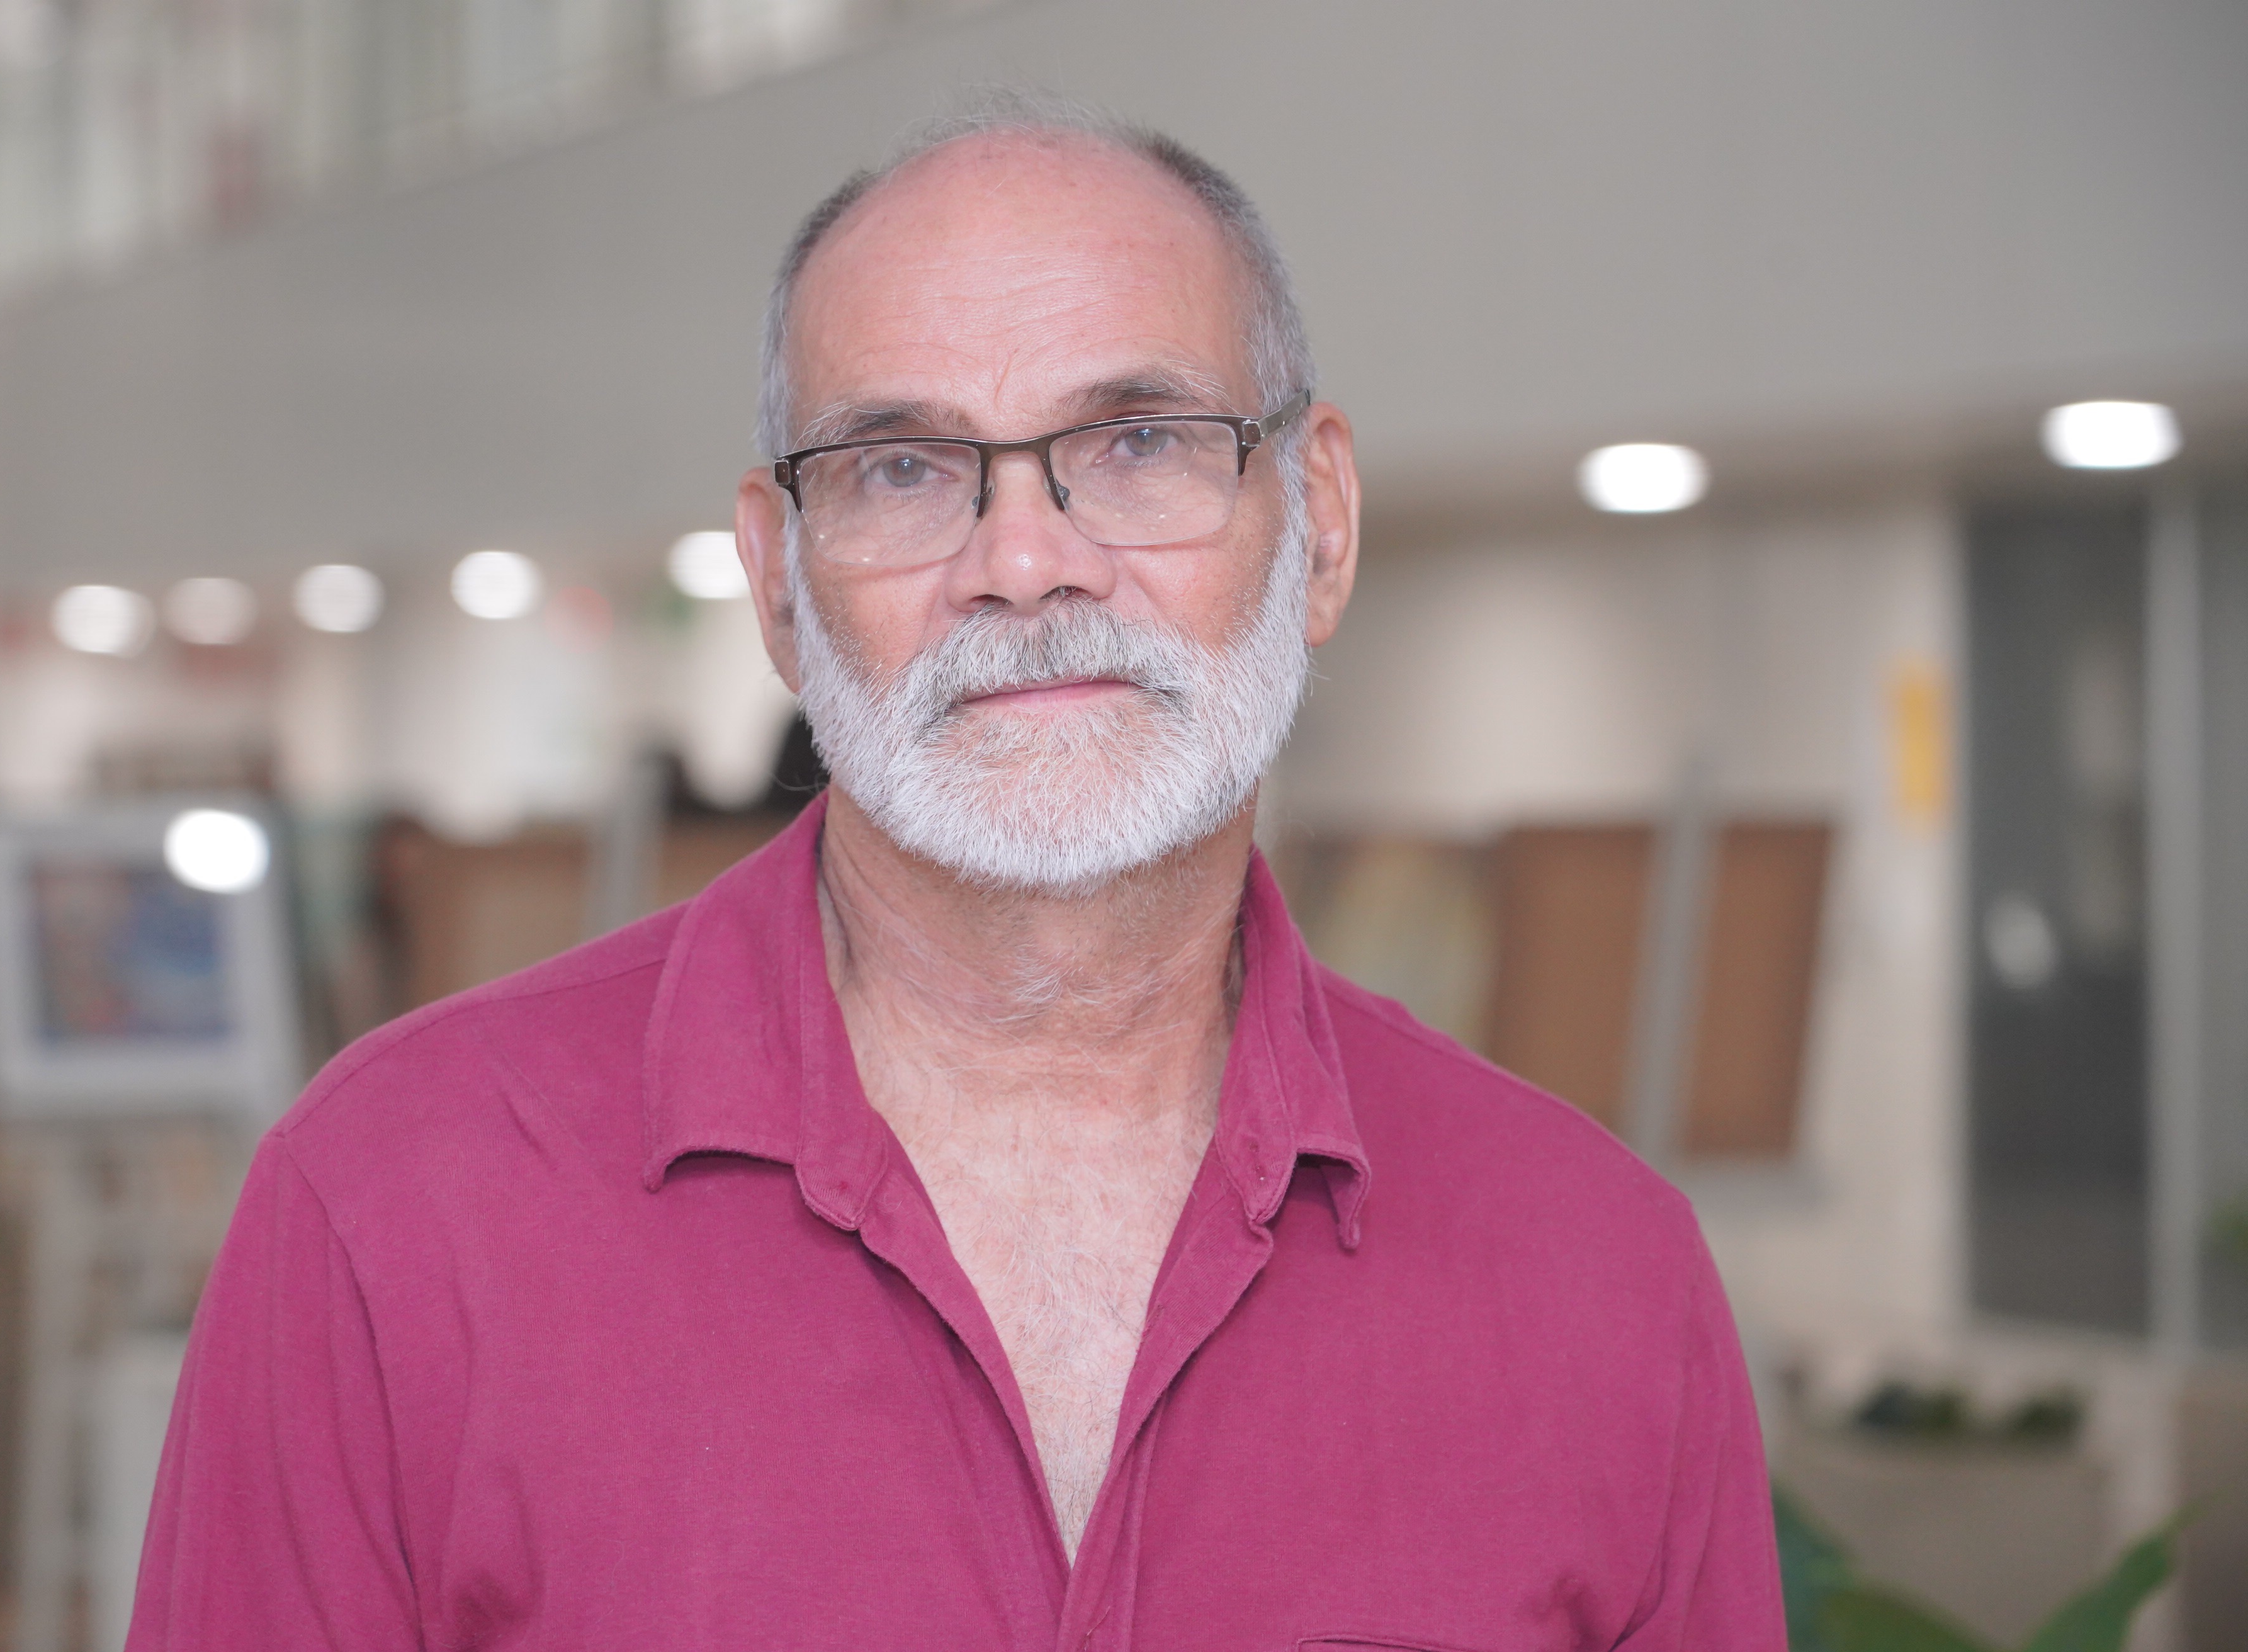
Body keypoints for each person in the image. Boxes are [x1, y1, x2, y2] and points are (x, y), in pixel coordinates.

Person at [129, 94, 1782, 1650]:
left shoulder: (1598, 1275)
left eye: (1138, 441)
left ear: (1321, 525)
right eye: (904, 469)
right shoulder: (394, 1210)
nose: (1026, 560)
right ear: (781, 585)